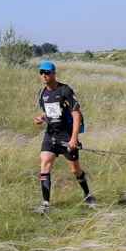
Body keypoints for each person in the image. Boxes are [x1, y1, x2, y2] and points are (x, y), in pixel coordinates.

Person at [33, 61, 97, 213]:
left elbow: (76, 115)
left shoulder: (65, 90)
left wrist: (74, 138)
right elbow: (46, 112)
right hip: (51, 134)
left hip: (67, 135)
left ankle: (89, 195)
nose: (44, 75)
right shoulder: (43, 92)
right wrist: (40, 117)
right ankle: (46, 204)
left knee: (75, 170)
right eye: (41, 72)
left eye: (47, 72)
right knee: (45, 162)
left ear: (54, 73)